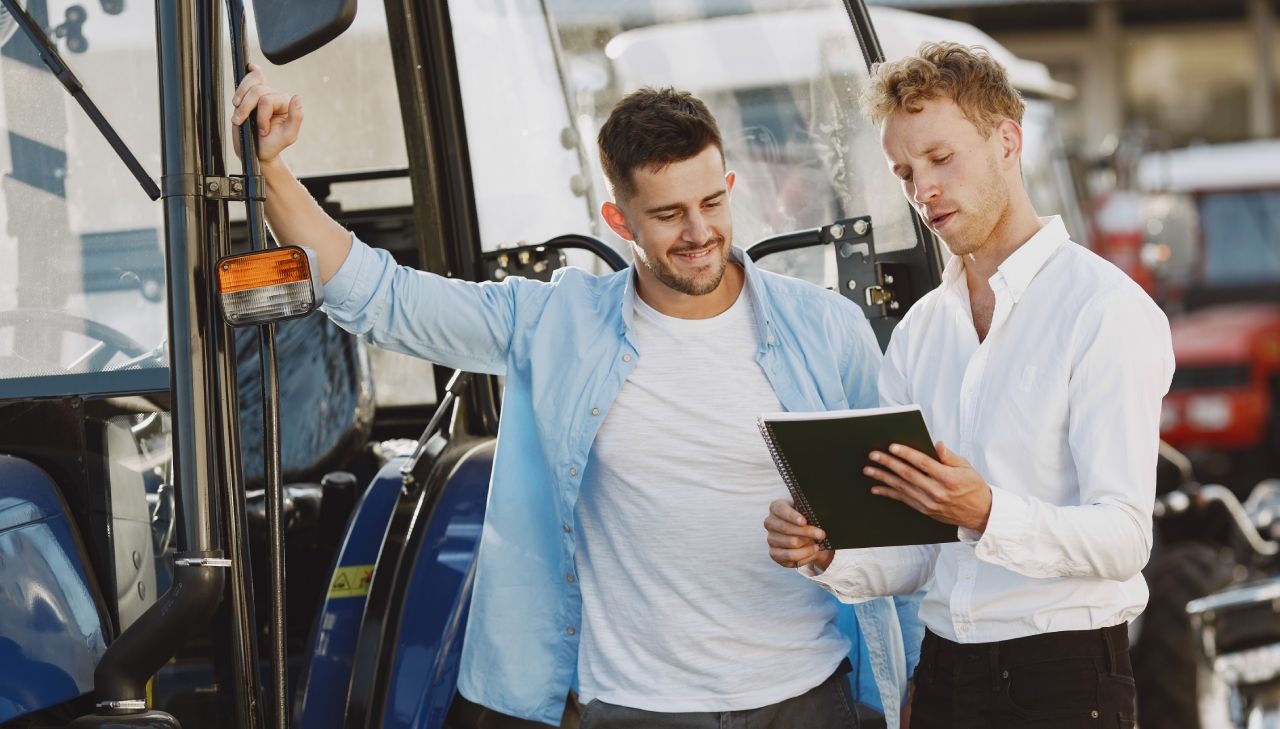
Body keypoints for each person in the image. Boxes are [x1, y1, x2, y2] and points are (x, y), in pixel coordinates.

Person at [232, 68, 921, 728]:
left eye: (712, 203)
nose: (699, 232)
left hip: (804, 694)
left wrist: (916, 677)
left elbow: (903, 518)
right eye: (669, 214)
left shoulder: (826, 329)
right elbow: (383, 296)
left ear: (729, 186)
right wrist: (270, 170)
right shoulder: (556, 324)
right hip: (637, 707)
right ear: (619, 219)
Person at [764, 42, 1173, 729]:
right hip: (944, 677)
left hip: (1065, 684)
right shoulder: (920, 331)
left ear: (1007, 141)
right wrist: (828, 552)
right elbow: (923, 551)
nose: (921, 189)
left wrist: (986, 511)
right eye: (904, 171)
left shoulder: (1105, 310)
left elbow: (1125, 538)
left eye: (940, 158)